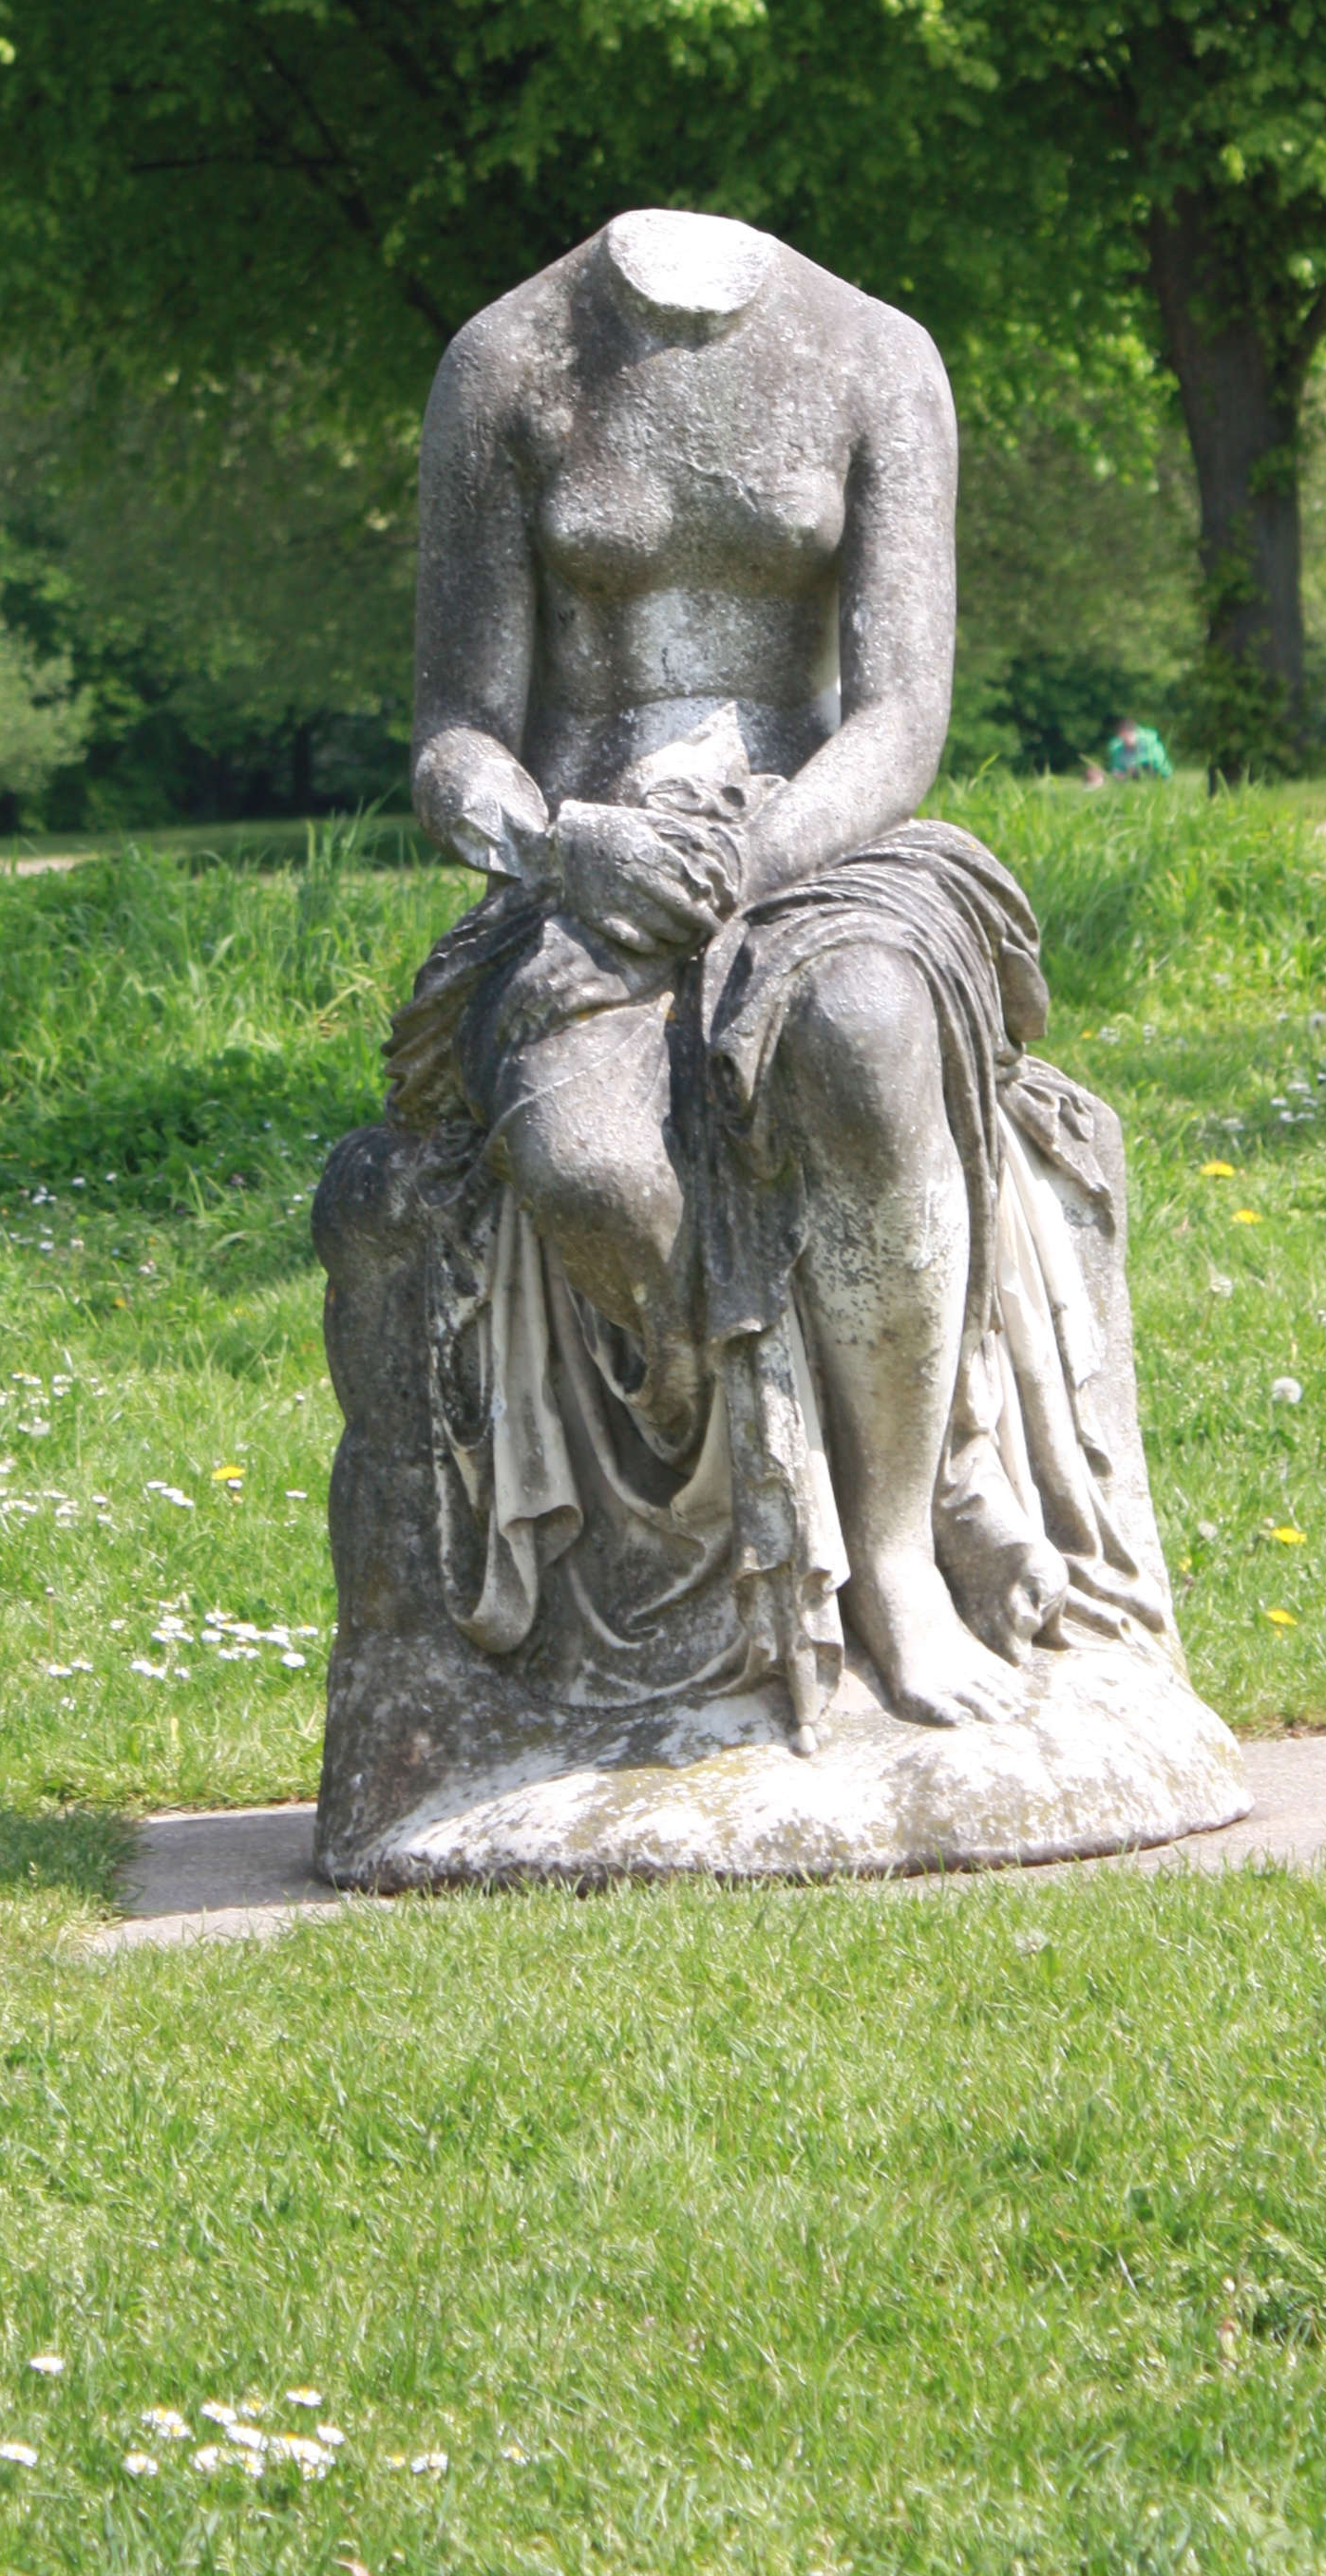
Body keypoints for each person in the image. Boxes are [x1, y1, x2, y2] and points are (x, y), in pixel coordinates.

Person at [390, 210, 1164, 1747]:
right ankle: (747, 1479)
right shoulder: (510, 361)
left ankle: (899, 1558)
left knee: (869, 1030)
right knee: (592, 1174)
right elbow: (453, 736)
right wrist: (562, 846)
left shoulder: (875, 355)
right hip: (591, 862)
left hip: (822, 845)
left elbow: (900, 718)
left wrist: (753, 855)